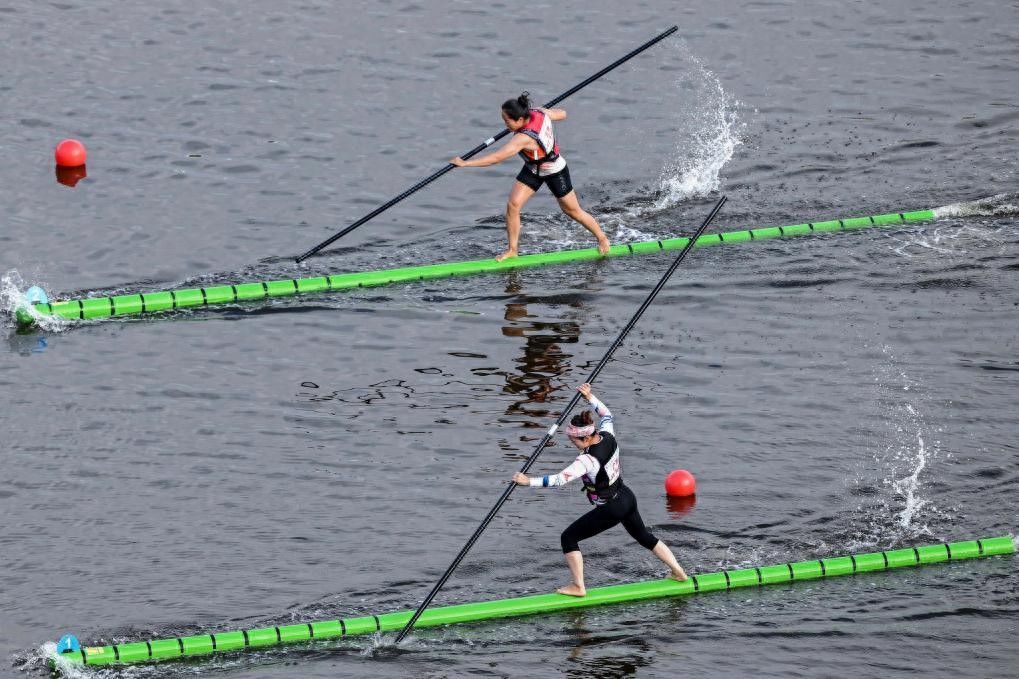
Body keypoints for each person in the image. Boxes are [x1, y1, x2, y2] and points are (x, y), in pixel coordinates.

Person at [513, 383, 687, 596]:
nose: (573, 444)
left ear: (585, 438)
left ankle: (578, 586)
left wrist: (527, 481)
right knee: (644, 536)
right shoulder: (607, 434)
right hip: (626, 496)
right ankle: (679, 572)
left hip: (611, 508)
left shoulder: (587, 460)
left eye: (574, 441)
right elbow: (607, 414)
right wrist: (590, 397)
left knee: (568, 538)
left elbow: (559, 480)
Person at [450, 92, 611, 262]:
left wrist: (465, 164)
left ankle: (602, 238)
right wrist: (544, 111)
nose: (505, 125)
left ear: (520, 120)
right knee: (513, 205)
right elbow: (563, 114)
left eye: (507, 121)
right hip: (533, 169)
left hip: (554, 170)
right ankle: (512, 250)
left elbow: (496, 158)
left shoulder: (523, 138)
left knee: (572, 211)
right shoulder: (538, 113)